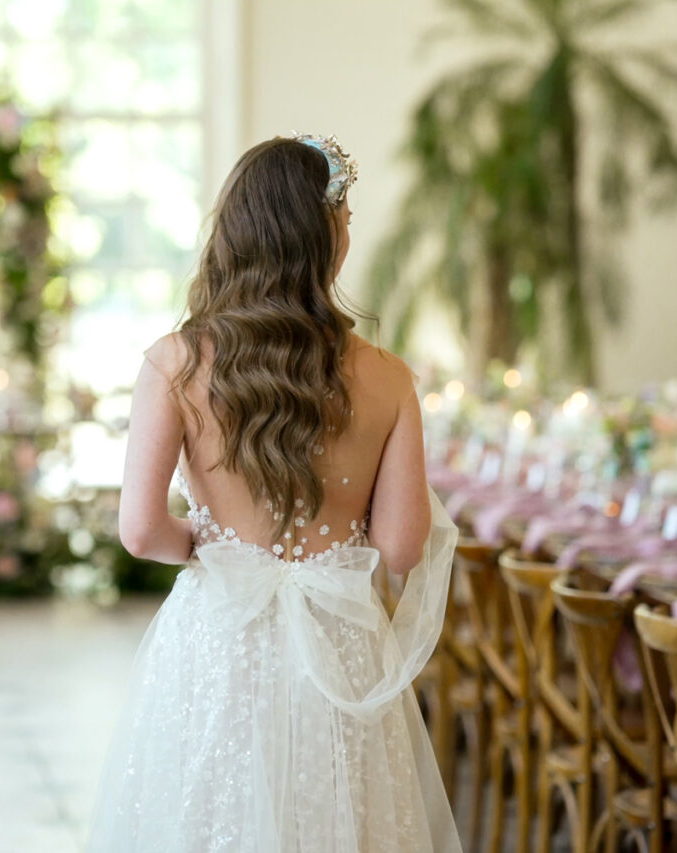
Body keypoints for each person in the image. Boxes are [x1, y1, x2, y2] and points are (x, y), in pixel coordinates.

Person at [87, 134, 461, 852]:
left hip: (218, 632)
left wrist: (208, 545)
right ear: (324, 237)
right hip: (340, 644)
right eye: (345, 219)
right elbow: (403, 544)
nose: (349, 232)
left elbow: (139, 530)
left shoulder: (175, 361)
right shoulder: (387, 376)